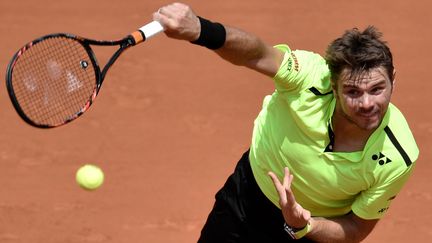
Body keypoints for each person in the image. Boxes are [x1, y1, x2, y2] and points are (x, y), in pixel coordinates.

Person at [153, 3, 419, 242]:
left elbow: (356, 228)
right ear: (334, 87)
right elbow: (256, 54)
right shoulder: (312, 76)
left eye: (377, 89)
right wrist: (201, 29)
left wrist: (304, 225)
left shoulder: (398, 155)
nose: (367, 104)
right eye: (352, 92)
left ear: (393, 79)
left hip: (308, 231)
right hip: (247, 198)